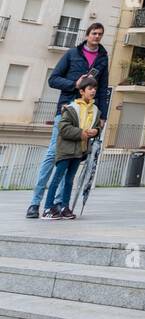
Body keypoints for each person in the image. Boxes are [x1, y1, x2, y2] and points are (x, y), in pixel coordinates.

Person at [26, 22, 110, 220]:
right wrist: (75, 84)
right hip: (66, 111)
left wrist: (103, 115)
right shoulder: (72, 54)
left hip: (87, 115)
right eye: (94, 33)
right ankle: (35, 203)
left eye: (100, 34)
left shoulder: (103, 58)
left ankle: (58, 204)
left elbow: (103, 88)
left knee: (73, 158)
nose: (97, 37)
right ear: (87, 35)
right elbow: (53, 79)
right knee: (53, 154)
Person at [42, 76, 103, 220]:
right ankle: (47, 208)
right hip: (66, 150)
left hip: (80, 150)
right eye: (90, 88)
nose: (93, 91)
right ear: (82, 91)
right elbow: (63, 128)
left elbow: (95, 127)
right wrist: (81, 133)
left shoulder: (95, 110)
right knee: (57, 178)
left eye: (95, 88)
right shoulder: (71, 108)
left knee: (69, 180)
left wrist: (96, 131)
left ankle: (64, 207)